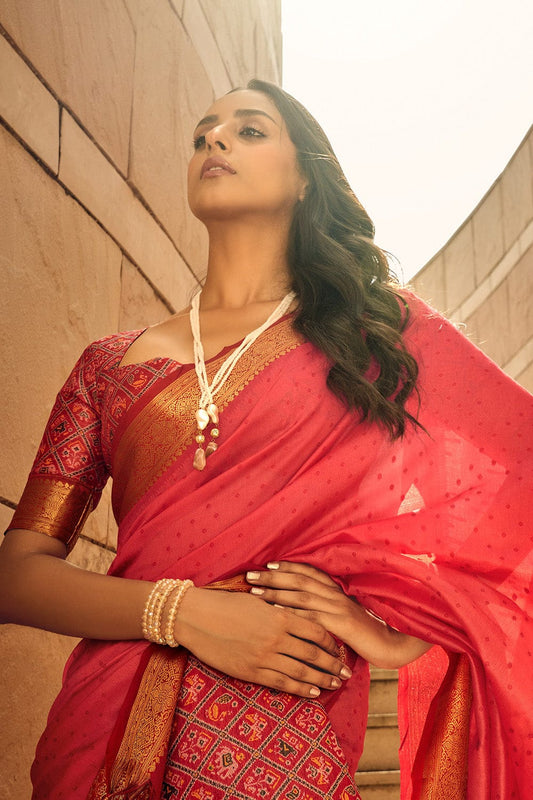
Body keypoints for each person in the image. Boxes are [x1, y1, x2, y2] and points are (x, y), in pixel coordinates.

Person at [0, 78, 531, 800]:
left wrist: (393, 630)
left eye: (249, 130)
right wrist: (183, 612)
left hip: (279, 731)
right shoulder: (107, 365)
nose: (214, 140)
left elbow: (517, 477)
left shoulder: (376, 338)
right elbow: (19, 574)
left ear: (306, 176)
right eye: (202, 134)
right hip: (101, 724)